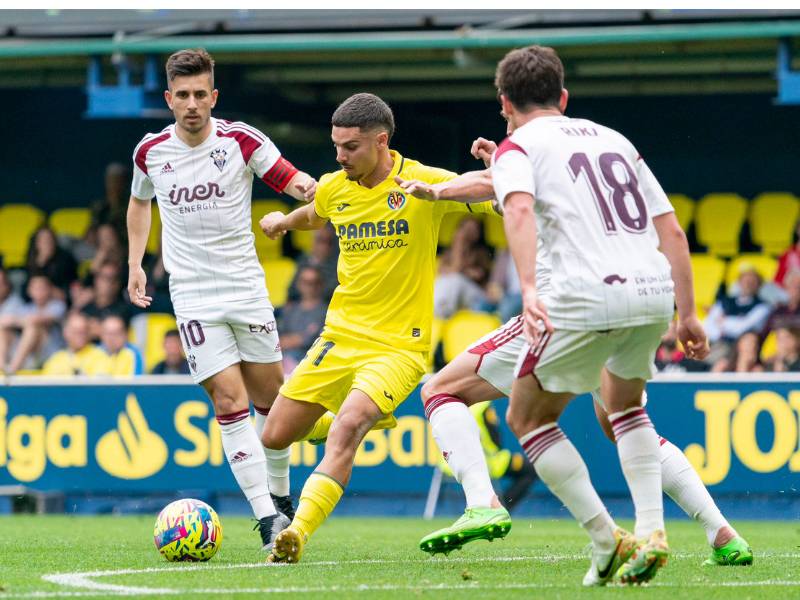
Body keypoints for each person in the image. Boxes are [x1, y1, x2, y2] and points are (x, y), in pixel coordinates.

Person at [412, 45, 710, 586]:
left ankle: (607, 536)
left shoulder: (517, 145)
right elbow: (672, 230)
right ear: (564, 96)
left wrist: (528, 290)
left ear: (504, 101)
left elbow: (520, 208)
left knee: (528, 419)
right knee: (625, 409)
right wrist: (687, 314)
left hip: (582, 295)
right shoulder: (615, 140)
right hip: (650, 292)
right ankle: (652, 531)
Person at [258, 92, 496, 564]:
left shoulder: (424, 183)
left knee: (348, 426)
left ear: (381, 141)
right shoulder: (335, 185)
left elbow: (489, 195)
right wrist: (284, 221)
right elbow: (318, 211)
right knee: (274, 435)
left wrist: (504, 176)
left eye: (350, 147)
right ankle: (342, 420)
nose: (339, 156)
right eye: (336, 146)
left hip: (397, 348)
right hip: (339, 337)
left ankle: (296, 534)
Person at [126, 48, 317, 551]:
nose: (192, 104)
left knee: (271, 404)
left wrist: (319, 192)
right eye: (182, 95)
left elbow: (294, 181)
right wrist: (134, 264)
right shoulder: (150, 152)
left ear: (214, 96)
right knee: (229, 403)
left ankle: (281, 499)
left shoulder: (241, 141)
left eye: (200, 95)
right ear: (169, 99)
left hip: (246, 289)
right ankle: (267, 519)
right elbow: (139, 201)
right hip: (191, 296)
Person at [0, 274, 67, 374]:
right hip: (30, 355)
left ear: (49, 290)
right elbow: (4, 322)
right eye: (35, 288)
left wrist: (16, 320)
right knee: (4, 331)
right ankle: (1, 366)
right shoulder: (27, 308)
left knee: (33, 328)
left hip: (50, 353)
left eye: (42, 288)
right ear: (29, 291)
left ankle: (12, 369)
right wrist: (17, 321)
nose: (39, 292)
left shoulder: (57, 305)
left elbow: (36, 320)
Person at [278, 265, 327, 372]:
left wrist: (291, 340)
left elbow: (311, 341)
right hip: (283, 359)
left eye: (313, 282)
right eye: (305, 282)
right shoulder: (290, 309)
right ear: (299, 284)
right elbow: (278, 337)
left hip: (309, 362)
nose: (309, 287)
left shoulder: (326, 312)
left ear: (320, 285)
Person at [42, 312, 110, 376]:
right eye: (75, 331)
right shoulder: (56, 358)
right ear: (65, 332)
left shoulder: (99, 356)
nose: (80, 336)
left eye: (83, 331)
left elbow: (99, 385)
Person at [286, 225, 339, 302]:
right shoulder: (303, 260)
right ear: (313, 241)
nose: (324, 246)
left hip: (323, 307)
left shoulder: (337, 265)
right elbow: (292, 290)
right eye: (320, 241)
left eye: (329, 242)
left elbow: (330, 293)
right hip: (299, 305)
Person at [80, 261, 131, 340]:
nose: (108, 283)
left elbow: (122, 336)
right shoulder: (85, 307)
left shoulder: (124, 310)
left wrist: (98, 329)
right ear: (96, 280)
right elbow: (72, 329)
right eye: (103, 277)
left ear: (118, 283)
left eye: (112, 278)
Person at [24, 226, 78, 299]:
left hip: (60, 296)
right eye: (43, 240)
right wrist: (41, 262)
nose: (47, 243)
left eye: (49, 239)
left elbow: (71, 283)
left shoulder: (66, 258)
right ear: (37, 243)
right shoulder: (31, 257)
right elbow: (30, 284)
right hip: (38, 296)